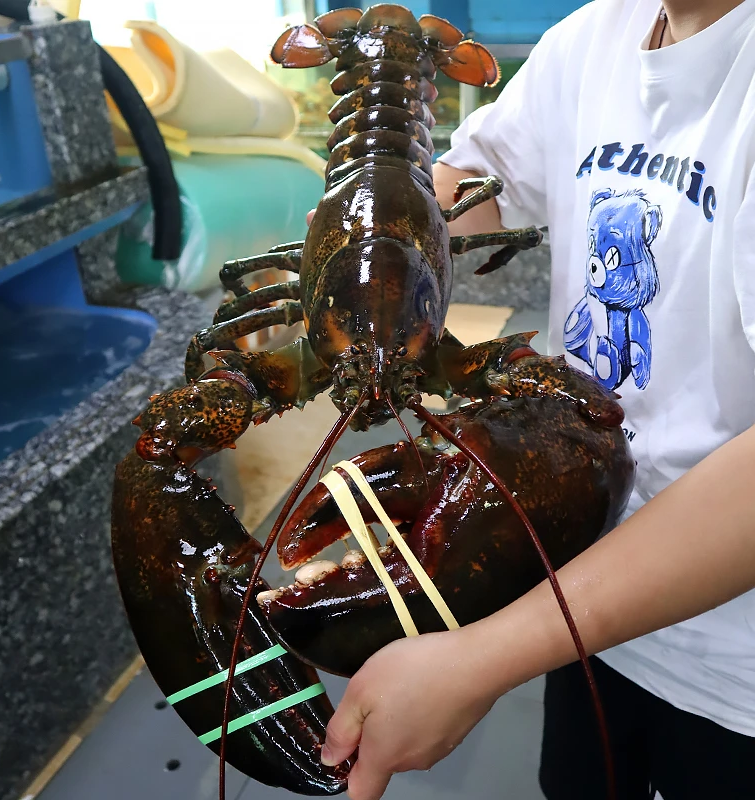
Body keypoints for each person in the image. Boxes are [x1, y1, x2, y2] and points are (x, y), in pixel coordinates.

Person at [314, 1, 755, 798]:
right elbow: (468, 192)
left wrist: (485, 656)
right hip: (585, 608)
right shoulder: (595, 36)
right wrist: (366, 244)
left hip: (734, 676)